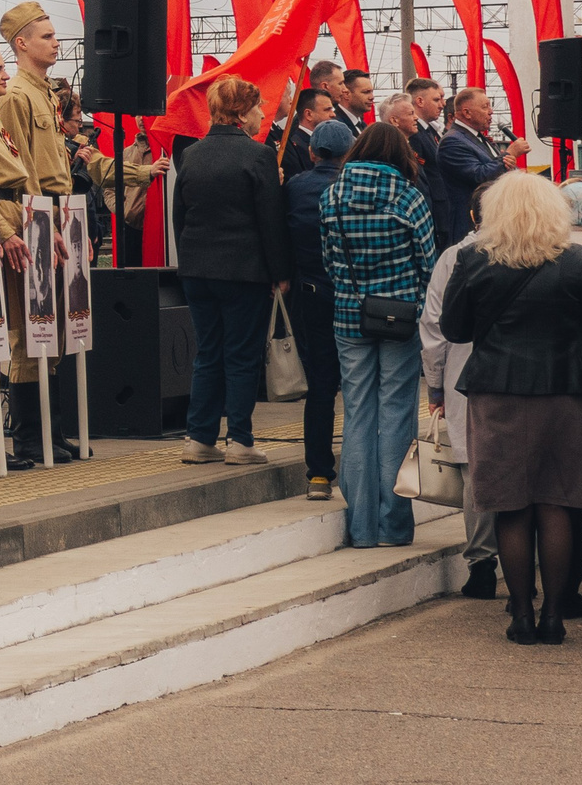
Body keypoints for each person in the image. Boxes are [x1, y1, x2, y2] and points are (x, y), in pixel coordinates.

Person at [442, 171, 582, 644]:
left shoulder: (472, 259)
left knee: (510, 504)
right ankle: (555, 616)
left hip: (497, 393)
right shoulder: (575, 260)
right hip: (564, 392)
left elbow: (454, 328)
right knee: (558, 501)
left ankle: (520, 614)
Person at [321, 122, 438, 549]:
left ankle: (361, 528)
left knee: (357, 416)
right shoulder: (409, 196)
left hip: (350, 317)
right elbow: (429, 261)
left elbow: (330, 262)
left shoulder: (332, 196)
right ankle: (393, 526)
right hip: (401, 318)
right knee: (395, 417)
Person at [174, 78, 290, 465]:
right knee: (241, 355)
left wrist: (188, 261)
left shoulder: (191, 154)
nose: (261, 114)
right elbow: (269, 222)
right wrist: (280, 271)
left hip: (197, 269)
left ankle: (200, 437)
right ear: (241, 113)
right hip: (244, 271)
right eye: (257, 107)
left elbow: (180, 217)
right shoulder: (258, 156)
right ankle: (240, 440)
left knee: (208, 352)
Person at [0, 1, 78, 460]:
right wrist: (36, 224)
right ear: (22, 44)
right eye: (46, 36)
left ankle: (51, 429)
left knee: (54, 327)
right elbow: (18, 165)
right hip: (34, 210)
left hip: (54, 209)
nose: (56, 42)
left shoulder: (44, 93)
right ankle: (29, 434)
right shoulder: (17, 97)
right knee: (31, 329)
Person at [422, 180, 502, 597]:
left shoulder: (454, 257)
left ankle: (482, 563)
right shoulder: (541, 253)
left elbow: (434, 328)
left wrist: (434, 385)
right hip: (524, 376)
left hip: (463, 374)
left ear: (472, 215)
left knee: (475, 468)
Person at [287, 119, 352, 501]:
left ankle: (319, 475)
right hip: (356, 297)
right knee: (360, 387)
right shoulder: (353, 187)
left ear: (312, 153)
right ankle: (362, 467)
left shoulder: (295, 187)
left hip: (311, 295)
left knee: (321, 387)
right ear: (349, 155)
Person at [431, 86, 510, 247]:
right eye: (485, 106)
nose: (491, 112)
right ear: (467, 113)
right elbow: (479, 175)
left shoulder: (478, 137)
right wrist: (508, 156)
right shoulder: (452, 141)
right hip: (468, 225)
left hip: (492, 222)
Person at [280, 86, 336, 179]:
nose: (333, 114)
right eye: (327, 109)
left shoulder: (327, 141)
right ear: (309, 114)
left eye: (332, 109)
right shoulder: (296, 146)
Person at [404, 77, 446, 182]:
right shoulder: (413, 132)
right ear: (420, 101)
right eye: (436, 100)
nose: (442, 105)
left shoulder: (429, 130)